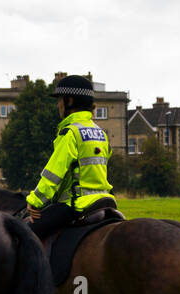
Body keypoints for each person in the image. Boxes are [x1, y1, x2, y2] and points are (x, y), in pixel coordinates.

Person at [25, 74, 115, 239]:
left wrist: (35, 201)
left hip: (76, 205)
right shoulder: (100, 133)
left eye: (59, 100)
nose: (58, 105)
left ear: (70, 101)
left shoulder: (70, 133)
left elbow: (53, 174)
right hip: (105, 201)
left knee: (24, 234)